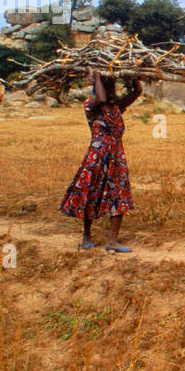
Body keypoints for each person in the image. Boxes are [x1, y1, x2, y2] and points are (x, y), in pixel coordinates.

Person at [60, 71, 141, 252]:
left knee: (119, 196)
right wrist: (97, 75)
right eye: (107, 86)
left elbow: (137, 92)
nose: (111, 90)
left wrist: (134, 74)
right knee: (90, 195)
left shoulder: (117, 106)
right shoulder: (91, 105)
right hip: (96, 157)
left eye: (112, 85)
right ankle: (86, 235)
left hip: (116, 158)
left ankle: (112, 241)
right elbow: (102, 98)